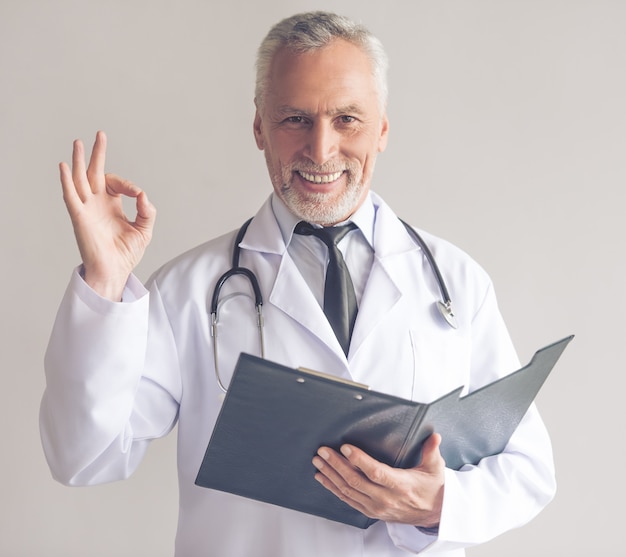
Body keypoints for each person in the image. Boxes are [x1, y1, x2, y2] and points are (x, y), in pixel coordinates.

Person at [40, 11, 556, 557]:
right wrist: (104, 279)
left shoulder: (455, 281)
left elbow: (528, 469)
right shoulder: (189, 291)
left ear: (382, 129)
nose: (321, 148)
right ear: (259, 126)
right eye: (295, 119)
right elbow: (82, 458)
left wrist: (438, 504)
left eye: (347, 120)